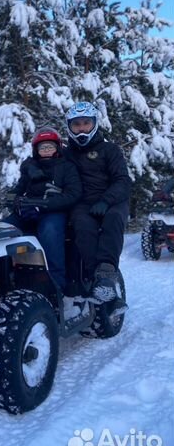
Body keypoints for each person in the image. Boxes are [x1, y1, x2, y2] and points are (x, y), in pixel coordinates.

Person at [64, 102, 131, 305]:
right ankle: (97, 279)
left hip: (112, 200)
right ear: (70, 127)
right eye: (77, 125)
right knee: (82, 225)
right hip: (83, 203)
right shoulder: (66, 154)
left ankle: (107, 272)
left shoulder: (110, 150)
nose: (82, 128)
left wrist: (106, 200)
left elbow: (123, 180)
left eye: (86, 123)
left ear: (94, 124)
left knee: (113, 219)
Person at [5, 127, 82, 293]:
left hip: (54, 210)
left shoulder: (66, 167)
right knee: (4, 229)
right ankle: (2, 278)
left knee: (50, 231)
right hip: (28, 211)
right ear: (36, 150)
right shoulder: (30, 167)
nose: (46, 150)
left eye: (50, 147)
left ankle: (57, 285)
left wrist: (44, 205)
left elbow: (73, 194)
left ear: (58, 148)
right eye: (42, 147)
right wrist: (14, 202)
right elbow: (18, 189)